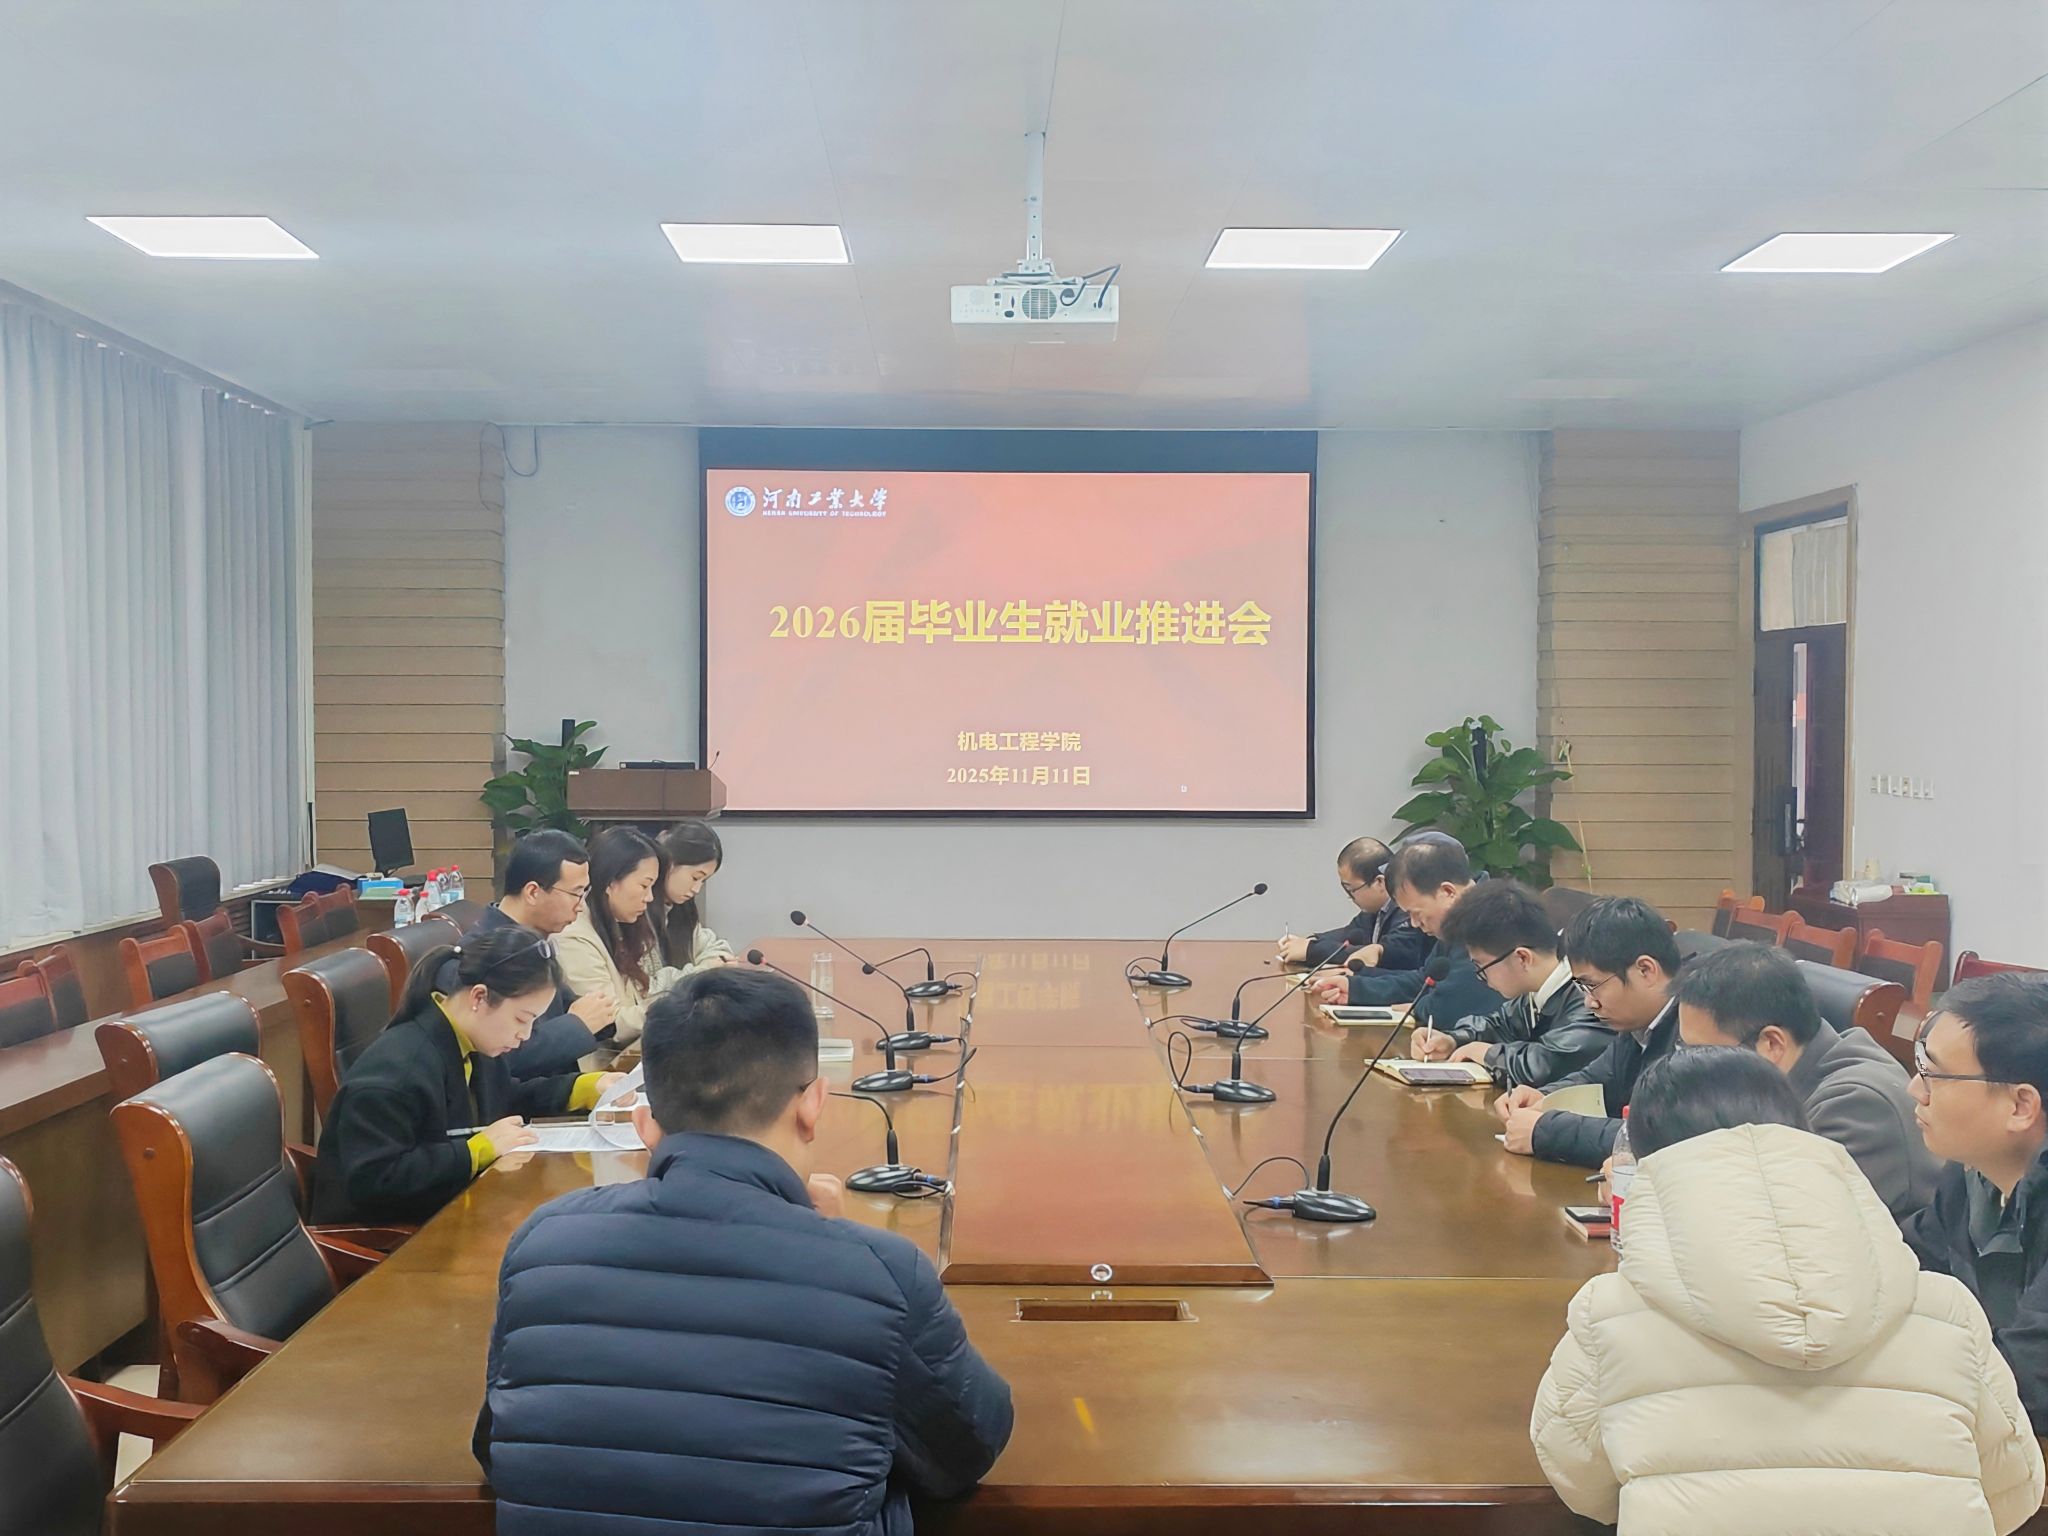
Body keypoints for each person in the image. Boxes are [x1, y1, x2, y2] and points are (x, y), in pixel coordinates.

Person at [474, 966, 1014, 1534]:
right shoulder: (881, 1274)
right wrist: (838, 1247)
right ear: (813, 1105)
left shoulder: (543, 1245)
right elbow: (966, 1452)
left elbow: (500, 1445)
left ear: (644, 1126)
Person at [1532, 1046, 2044, 1536]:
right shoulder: (1947, 1312)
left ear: (1646, 1161)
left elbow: (1579, 1481)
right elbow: (2014, 1488)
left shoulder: (1610, 1315)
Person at [312, 926, 616, 1226]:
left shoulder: (468, 1040)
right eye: (522, 1019)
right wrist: (474, 1152)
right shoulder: (398, 1072)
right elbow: (375, 1180)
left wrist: (584, 1089)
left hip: (449, 1208)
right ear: (479, 997)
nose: (525, 1035)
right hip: (390, 1235)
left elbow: (504, 1097)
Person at [1676, 940, 1936, 1218]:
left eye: (1703, 1054)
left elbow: (1784, 1222)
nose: (1690, 1068)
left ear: (1772, 1044)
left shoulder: (1856, 1106)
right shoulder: (1786, 1078)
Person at [1903, 973, 2048, 1425]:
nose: (1915, 1089)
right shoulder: (1971, 1172)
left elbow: (2023, 1385)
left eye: (1934, 1074)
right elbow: (1899, 1270)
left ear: (2020, 1106)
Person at [1495, 895, 1680, 1163]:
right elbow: (1598, 1078)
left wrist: (1546, 1131)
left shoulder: (1698, 1030)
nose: (1589, 1002)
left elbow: (1664, 1139)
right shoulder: (1637, 1025)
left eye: (1592, 986)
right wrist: (1544, 1097)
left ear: (1645, 970)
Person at [1409, 880, 1610, 1090]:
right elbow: (1498, 1026)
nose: (1481, 978)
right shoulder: (1535, 992)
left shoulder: (1590, 995)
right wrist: (1451, 1040)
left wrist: (1486, 1053)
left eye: (1481, 967)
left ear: (1522, 958)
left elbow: (1547, 1065)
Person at [1310, 838, 1505, 1028]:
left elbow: (1449, 1008)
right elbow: (1424, 981)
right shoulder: (1458, 920)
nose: (1414, 923)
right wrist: (1356, 988)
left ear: (1447, 892)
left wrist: (1417, 1008)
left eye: (1416, 913)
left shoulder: (1489, 922)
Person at [469, 829, 618, 1078]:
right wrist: (578, 1025)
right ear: (533, 892)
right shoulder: (485, 952)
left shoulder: (534, 941)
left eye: (584, 894)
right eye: (575, 893)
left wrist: (600, 1014)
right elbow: (500, 1060)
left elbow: (572, 1007)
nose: (580, 906)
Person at [554, 826, 668, 1060]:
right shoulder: (573, 936)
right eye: (644, 885)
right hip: (599, 1068)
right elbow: (611, 1022)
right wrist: (673, 1005)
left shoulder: (617, 924)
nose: (649, 897)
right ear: (610, 882)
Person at [1276, 836, 1428, 975]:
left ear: (1379, 882)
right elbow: (1350, 933)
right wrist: (1311, 940)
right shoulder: (1374, 911)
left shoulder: (1407, 911)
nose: (1350, 897)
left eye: (1351, 889)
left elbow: (1384, 956)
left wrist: (1311, 950)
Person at [653, 819, 737, 977]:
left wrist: (715, 963)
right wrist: (701, 971)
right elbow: (646, 986)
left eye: (703, 881)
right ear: (669, 863)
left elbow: (716, 947)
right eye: (695, 877)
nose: (696, 889)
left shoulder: (680, 910)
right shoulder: (636, 912)